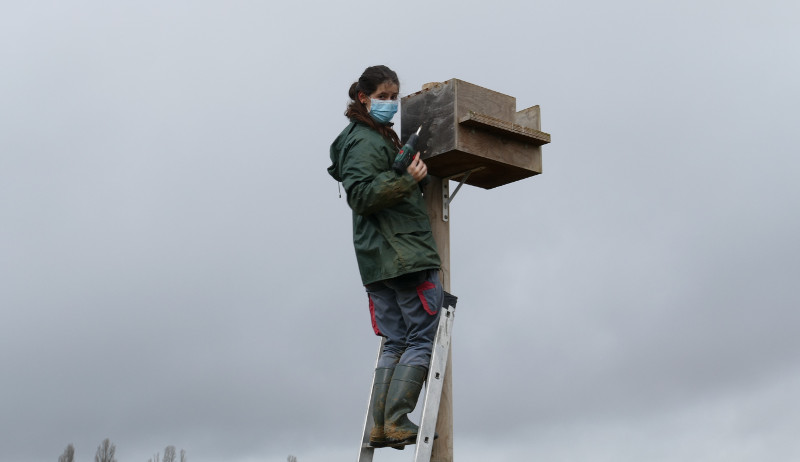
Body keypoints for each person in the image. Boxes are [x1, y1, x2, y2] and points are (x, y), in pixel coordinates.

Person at [328, 65, 443, 448]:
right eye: (383, 97)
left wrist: (415, 174)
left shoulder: (375, 138)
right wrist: (405, 179)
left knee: (395, 341)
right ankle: (396, 420)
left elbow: (381, 183)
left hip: (380, 260)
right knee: (420, 338)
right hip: (404, 254)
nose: (390, 104)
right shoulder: (364, 140)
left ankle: (381, 426)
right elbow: (361, 195)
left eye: (395, 97)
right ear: (363, 97)